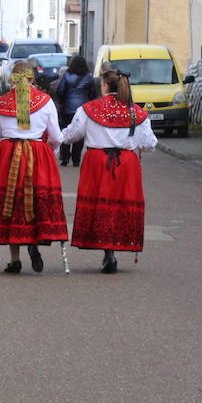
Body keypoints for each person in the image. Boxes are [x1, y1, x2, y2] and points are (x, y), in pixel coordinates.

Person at [60, 68, 157, 273]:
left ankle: (107, 251)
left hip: (97, 162)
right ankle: (111, 251)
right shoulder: (135, 112)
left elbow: (72, 135)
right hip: (126, 164)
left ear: (104, 85)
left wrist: (57, 136)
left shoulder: (88, 109)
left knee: (101, 204)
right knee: (120, 205)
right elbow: (149, 144)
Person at [0, 60, 68, 273]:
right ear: (32, 78)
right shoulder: (45, 101)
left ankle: (14, 260)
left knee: (11, 205)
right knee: (35, 201)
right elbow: (57, 136)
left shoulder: (2, 104)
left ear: (12, 78)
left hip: (8, 155)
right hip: (37, 154)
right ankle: (33, 242)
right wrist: (51, 151)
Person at [53, 55, 98, 166]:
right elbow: (93, 93)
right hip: (83, 109)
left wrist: (63, 101)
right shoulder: (88, 77)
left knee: (65, 131)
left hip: (67, 109)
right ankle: (76, 158)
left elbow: (60, 91)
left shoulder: (66, 75)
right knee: (80, 133)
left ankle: (65, 157)